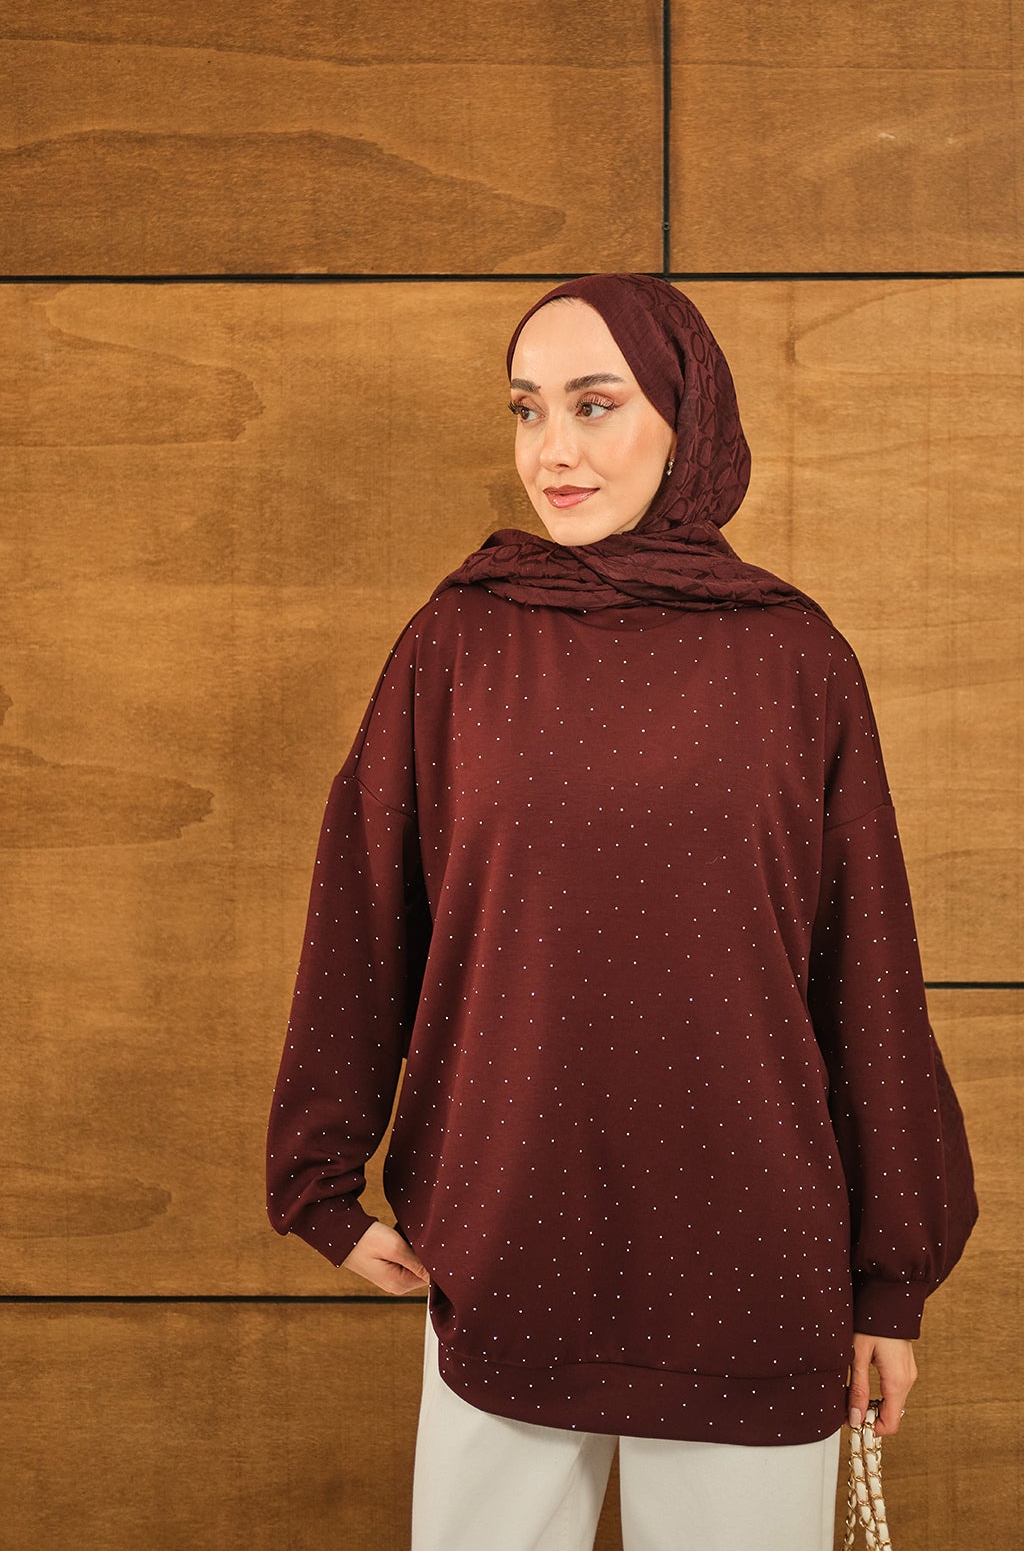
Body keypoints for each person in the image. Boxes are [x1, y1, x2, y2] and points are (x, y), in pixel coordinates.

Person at [264, 273, 979, 1551]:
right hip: (507, 1248)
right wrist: (321, 1184)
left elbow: (863, 970)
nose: (554, 450)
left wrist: (889, 1282)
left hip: (751, 1264)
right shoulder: (457, 644)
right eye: (527, 409)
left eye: (596, 405)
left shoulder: (796, 657)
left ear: (684, 420)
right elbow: (364, 911)